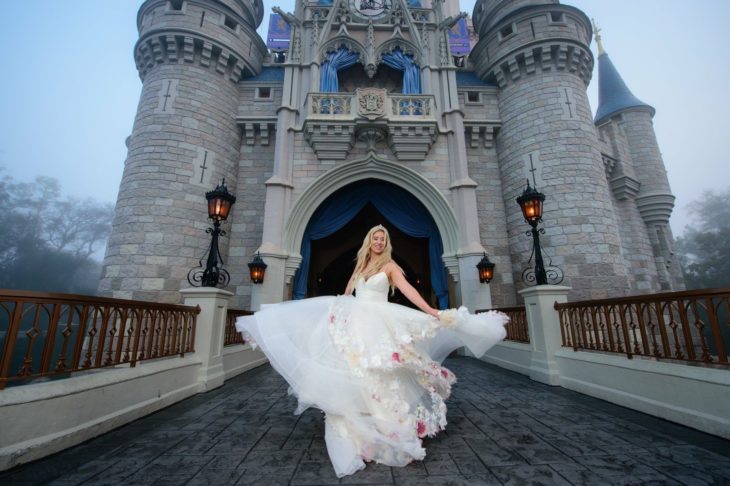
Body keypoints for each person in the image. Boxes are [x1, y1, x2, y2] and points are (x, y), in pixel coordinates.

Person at [236, 225, 508, 477]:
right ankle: (362, 436)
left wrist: (430, 310)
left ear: (386, 244)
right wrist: (330, 314)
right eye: (375, 239)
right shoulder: (360, 265)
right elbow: (347, 295)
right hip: (357, 324)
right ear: (369, 241)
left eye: (383, 239)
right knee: (356, 374)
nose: (379, 242)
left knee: (381, 375)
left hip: (379, 324)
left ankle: (389, 432)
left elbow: (409, 290)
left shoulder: (390, 266)